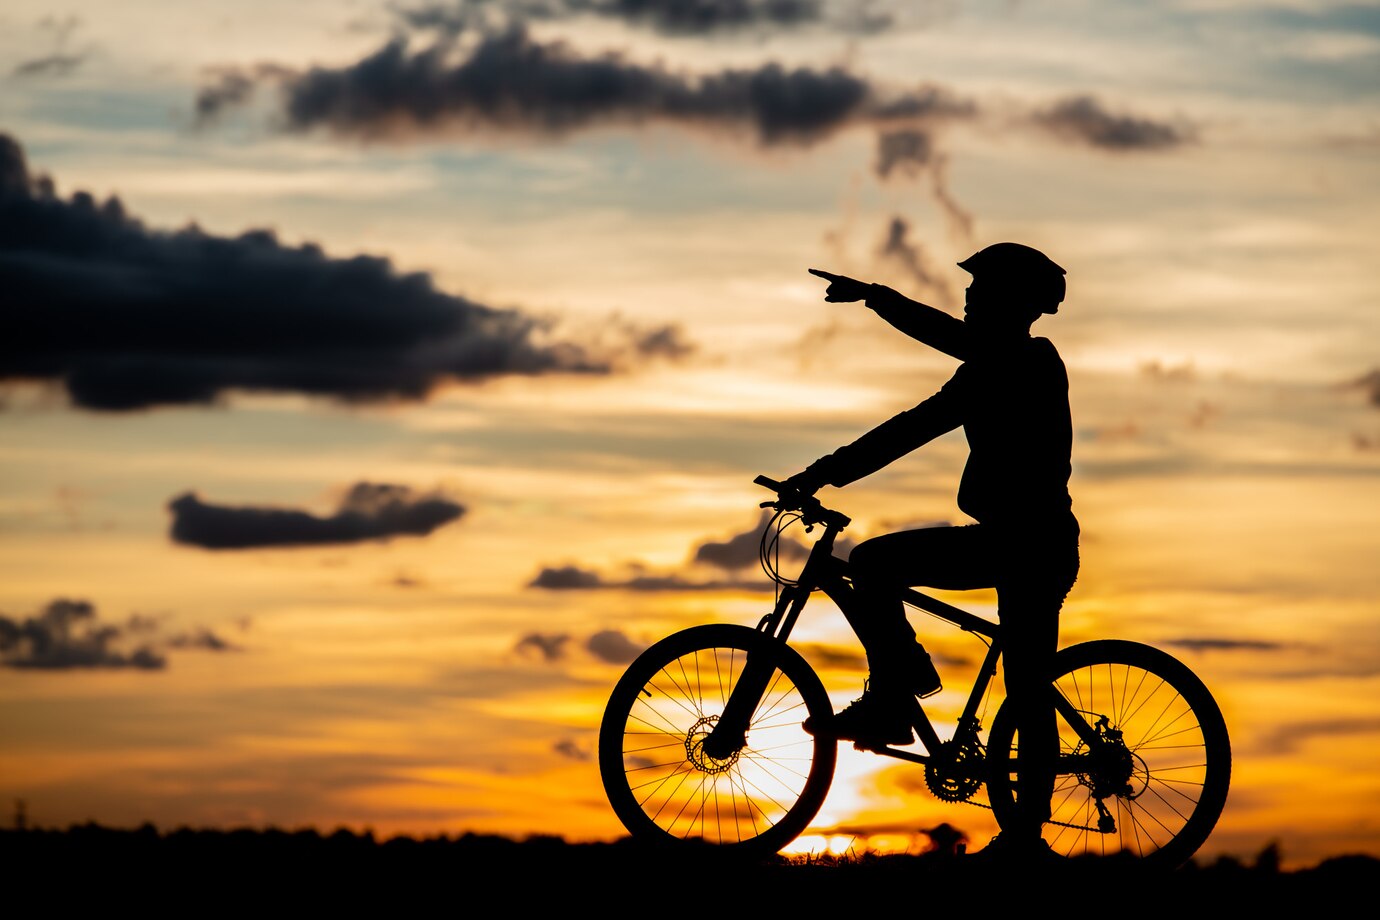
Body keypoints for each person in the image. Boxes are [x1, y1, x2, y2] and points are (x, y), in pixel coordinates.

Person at [784, 242, 1080, 850]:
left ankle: (1020, 831)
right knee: (880, 569)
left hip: (1032, 544)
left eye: (981, 290)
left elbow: (933, 376)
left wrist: (879, 298)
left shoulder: (1027, 361)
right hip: (1011, 540)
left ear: (1011, 302)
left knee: (1025, 685)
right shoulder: (985, 369)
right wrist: (821, 472)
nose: (968, 298)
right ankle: (899, 686)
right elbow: (906, 430)